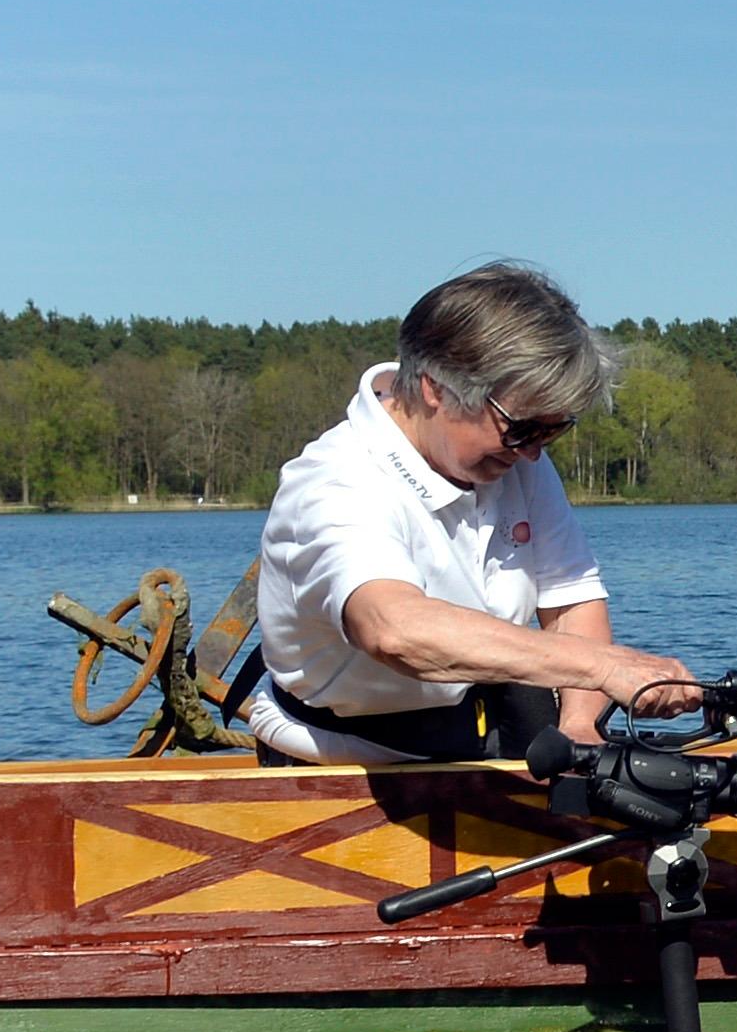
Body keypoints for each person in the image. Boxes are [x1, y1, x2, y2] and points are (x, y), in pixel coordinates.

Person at [247, 264, 697, 764]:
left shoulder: (518, 460)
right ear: (436, 387)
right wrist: (601, 666)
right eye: (522, 428)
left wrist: (578, 726)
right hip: (336, 757)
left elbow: (570, 602)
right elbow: (393, 629)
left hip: (482, 730)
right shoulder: (336, 481)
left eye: (553, 431)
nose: (532, 453)